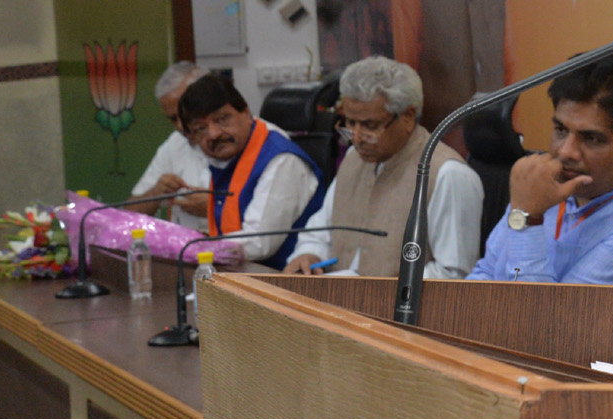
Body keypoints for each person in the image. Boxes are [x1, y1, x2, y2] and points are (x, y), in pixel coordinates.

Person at [472, 52, 613, 285]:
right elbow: (485, 273)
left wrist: (528, 218)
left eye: (591, 138)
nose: (565, 152)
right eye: (561, 130)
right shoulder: (540, 180)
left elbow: (544, 318)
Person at [287, 57, 484, 279]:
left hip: (395, 311)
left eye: (370, 126)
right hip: (337, 301)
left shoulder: (448, 175)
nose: (357, 138)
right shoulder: (354, 158)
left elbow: (453, 275)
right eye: (350, 123)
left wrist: (375, 291)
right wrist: (309, 255)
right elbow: (320, 233)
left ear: (408, 116)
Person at [176, 74, 326, 268]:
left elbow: (259, 242)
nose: (213, 134)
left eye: (222, 119)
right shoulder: (224, 159)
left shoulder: (281, 160)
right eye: (200, 129)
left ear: (246, 114)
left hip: (287, 284)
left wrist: (193, 248)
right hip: (243, 277)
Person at [132, 60, 211, 228]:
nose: (181, 126)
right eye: (174, 119)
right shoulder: (175, 144)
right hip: (185, 250)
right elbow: (129, 214)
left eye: (186, 114)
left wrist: (214, 208)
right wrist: (156, 193)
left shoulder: (250, 140)